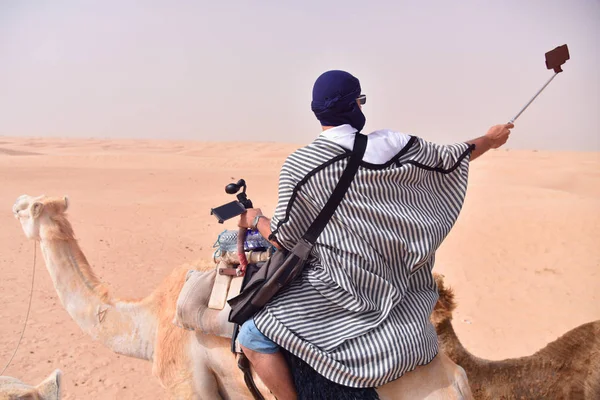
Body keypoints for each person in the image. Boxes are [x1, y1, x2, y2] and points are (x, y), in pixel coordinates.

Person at [236, 70, 513, 400]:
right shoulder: (395, 144)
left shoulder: (302, 163)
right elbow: (454, 157)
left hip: (340, 286)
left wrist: (256, 219)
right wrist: (492, 139)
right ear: (355, 105)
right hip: (399, 281)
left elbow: (282, 237)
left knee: (252, 335)